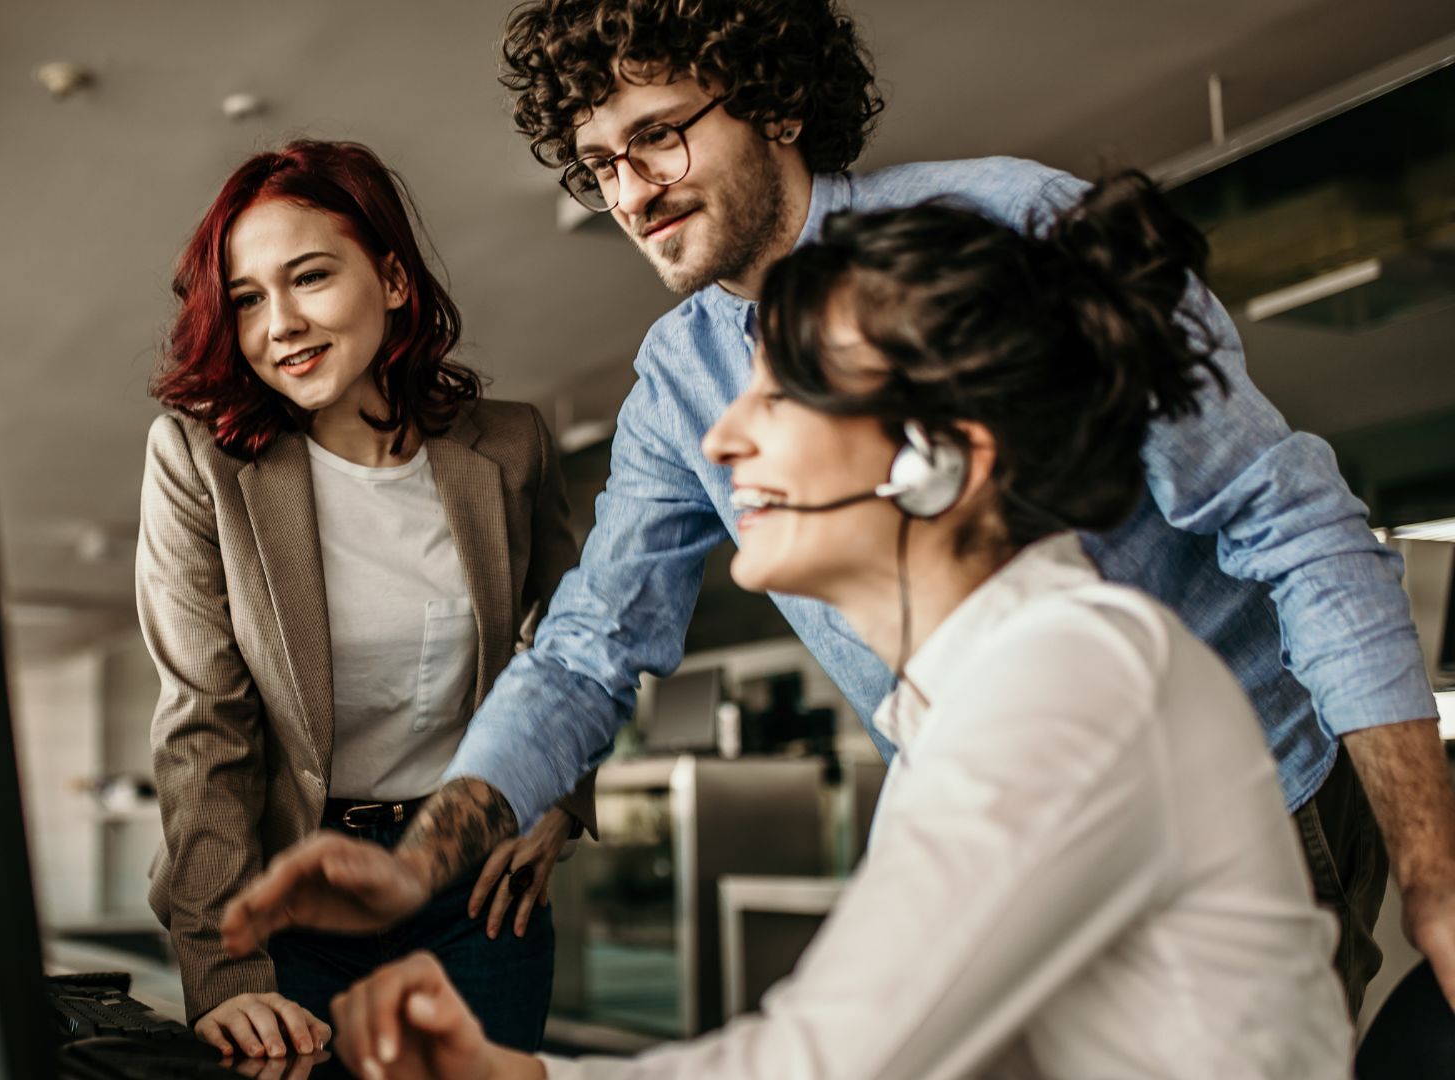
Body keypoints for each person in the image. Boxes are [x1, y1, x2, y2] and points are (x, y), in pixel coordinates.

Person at [222, 0, 1455, 1018]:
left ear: (775, 101)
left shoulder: (1007, 226)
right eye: (602, 165)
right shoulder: (679, 372)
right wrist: (420, 864)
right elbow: (591, 641)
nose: (632, 192)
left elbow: (1292, 523)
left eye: (659, 136)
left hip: (1239, 793)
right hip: (983, 822)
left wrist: (1431, 872)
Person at [319, 172, 1355, 1080]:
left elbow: (823, 1065)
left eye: (781, 397)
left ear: (938, 456)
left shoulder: (1071, 680)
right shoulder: (963, 712)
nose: (723, 436)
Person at [137, 139, 593, 1061]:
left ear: (392, 279)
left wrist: (561, 802)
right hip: (291, 899)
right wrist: (220, 974)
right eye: (248, 299)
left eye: (309, 277)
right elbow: (206, 728)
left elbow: (575, 652)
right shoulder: (202, 464)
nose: (280, 324)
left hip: (475, 893)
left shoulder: (510, 448)